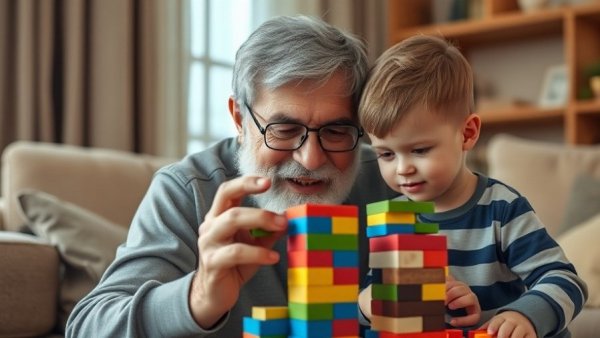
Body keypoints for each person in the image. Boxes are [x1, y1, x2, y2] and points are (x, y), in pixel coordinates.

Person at [65, 15, 398, 337]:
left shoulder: (391, 178)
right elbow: (88, 327)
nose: (311, 159)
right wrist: (197, 298)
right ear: (240, 120)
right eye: (284, 129)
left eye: (336, 131)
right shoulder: (188, 191)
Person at [357, 35, 588, 338]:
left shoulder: (502, 208)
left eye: (420, 150)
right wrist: (367, 304)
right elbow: (374, 303)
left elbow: (564, 280)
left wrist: (524, 316)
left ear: (467, 134)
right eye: (386, 154)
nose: (403, 169)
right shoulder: (392, 219)